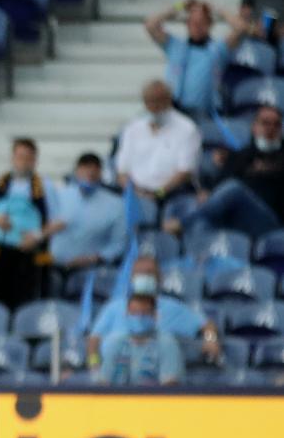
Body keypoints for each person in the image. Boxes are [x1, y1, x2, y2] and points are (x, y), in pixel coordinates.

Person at [168, 105, 284, 240]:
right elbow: (220, 186)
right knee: (200, 217)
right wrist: (207, 192)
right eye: (265, 123)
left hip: (269, 223)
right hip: (234, 219)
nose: (271, 129)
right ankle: (200, 258)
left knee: (234, 189)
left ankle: (183, 223)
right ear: (254, 127)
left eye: (276, 125)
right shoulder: (239, 156)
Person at [0, 137, 63, 311]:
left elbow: (58, 222)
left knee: (24, 300)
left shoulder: (44, 186)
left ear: (35, 161)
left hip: (27, 251)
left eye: (28, 158)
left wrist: (37, 236)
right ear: (12, 158)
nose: (24, 162)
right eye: (20, 157)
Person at [86, 256, 219, 363]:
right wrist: (95, 366)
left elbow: (207, 326)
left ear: (159, 278)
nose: (143, 276)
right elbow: (94, 339)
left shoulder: (172, 308)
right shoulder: (114, 307)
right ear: (132, 279)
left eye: (149, 273)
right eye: (139, 274)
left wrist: (211, 339)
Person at [144, 0, 248, 117]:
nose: (197, 26)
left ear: (210, 24)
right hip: (171, 111)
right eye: (193, 22)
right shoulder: (174, 45)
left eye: (202, 22)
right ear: (187, 24)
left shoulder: (218, 49)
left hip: (201, 113)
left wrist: (216, 9)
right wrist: (179, 6)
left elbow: (241, 28)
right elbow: (150, 25)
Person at [114, 80, 201, 216]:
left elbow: (185, 172)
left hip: (171, 194)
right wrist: (136, 192)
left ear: (169, 100)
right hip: (136, 194)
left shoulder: (187, 129)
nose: (153, 106)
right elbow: (122, 171)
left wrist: (158, 193)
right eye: (149, 101)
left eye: (158, 101)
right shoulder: (132, 128)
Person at [50, 152, 127, 277]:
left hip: (91, 270)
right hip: (54, 267)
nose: (90, 174)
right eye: (85, 168)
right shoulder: (59, 196)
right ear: (76, 171)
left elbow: (119, 243)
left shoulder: (116, 204)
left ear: (100, 173)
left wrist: (95, 258)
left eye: (95, 170)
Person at [97, 293, 183, 387]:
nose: (139, 318)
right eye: (134, 313)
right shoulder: (116, 343)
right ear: (126, 315)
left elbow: (170, 386)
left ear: (155, 315)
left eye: (144, 313)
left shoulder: (167, 344)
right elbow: (103, 383)